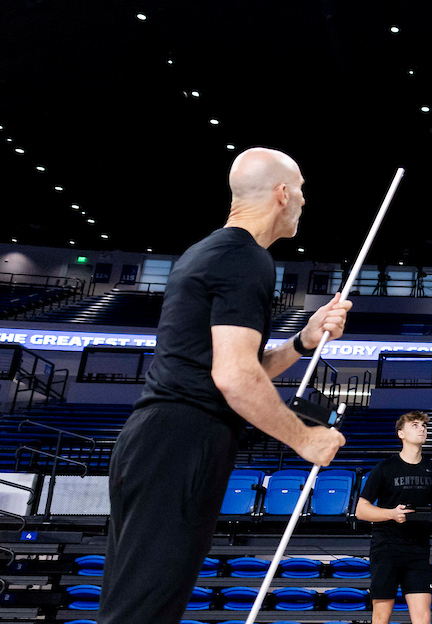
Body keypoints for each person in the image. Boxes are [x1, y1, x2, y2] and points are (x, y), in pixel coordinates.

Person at [98, 147, 351, 624]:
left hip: (158, 438)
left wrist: (302, 341)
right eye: (299, 190)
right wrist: (305, 438)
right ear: (281, 194)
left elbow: (233, 366)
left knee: (134, 600)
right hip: (182, 441)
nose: (302, 200)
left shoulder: (210, 251)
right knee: (144, 609)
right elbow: (233, 378)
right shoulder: (247, 260)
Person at [356, 411, 432, 624]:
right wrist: (391, 514)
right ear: (401, 434)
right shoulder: (385, 467)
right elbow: (361, 510)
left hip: (418, 549)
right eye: (415, 425)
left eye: (424, 425)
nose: (422, 429)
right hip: (387, 548)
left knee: (423, 618)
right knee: (381, 617)